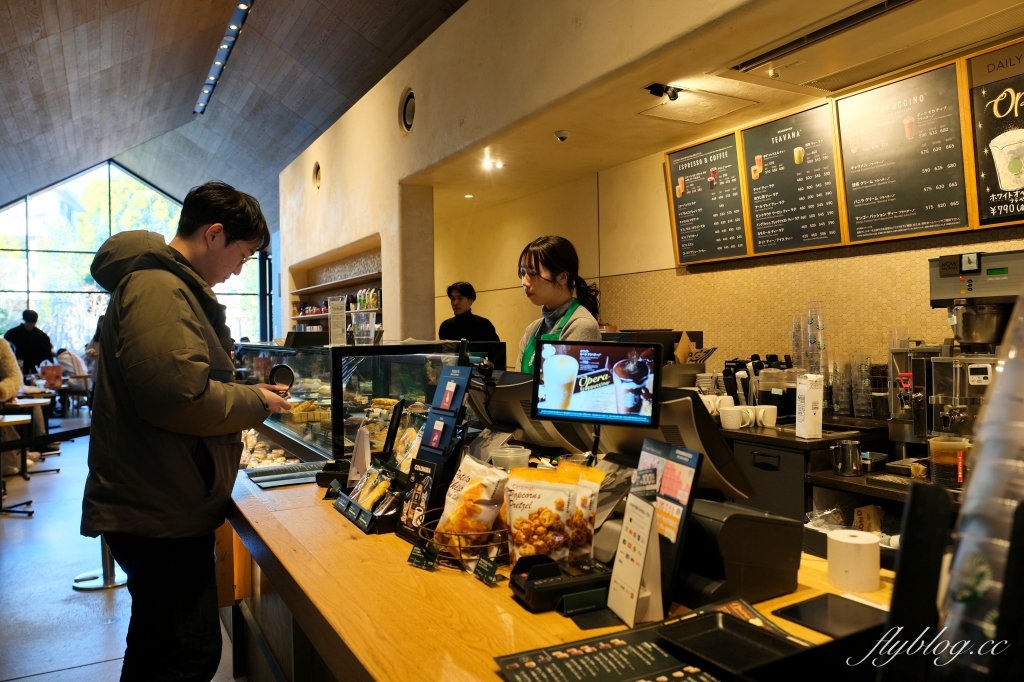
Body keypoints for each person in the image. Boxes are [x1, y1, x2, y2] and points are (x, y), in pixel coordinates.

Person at [80, 181, 292, 682]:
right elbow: (177, 397)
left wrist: (240, 389)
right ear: (214, 234)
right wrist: (256, 400)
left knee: (158, 646)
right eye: (242, 255)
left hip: (159, 497)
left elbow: (179, 380)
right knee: (186, 654)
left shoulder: (164, 284)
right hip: (158, 506)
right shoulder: (159, 287)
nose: (239, 269)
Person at [516, 235, 601, 371]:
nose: (524, 282)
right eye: (522, 273)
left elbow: (566, 382)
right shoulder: (532, 329)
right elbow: (516, 380)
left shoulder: (581, 325)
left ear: (562, 277)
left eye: (533, 273)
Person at [4, 310, 52, 374]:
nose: (30, 324)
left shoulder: (43, 337)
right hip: (15, 369)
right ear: (24, 320)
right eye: (28, 321)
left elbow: (47, 357)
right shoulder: (11, 335)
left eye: (33, 322)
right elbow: (5, 354)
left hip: (37, 371)